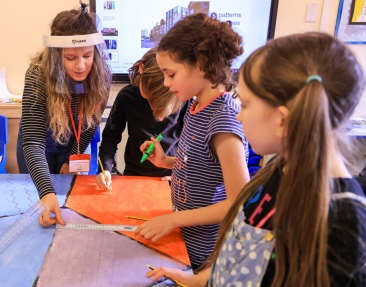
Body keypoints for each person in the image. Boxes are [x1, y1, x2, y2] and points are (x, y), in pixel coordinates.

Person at [146, 32, 366, 287]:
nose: (238, 117)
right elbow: (240, 255)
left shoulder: (344, 221)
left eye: (246, 105)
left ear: (282, 120)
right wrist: (194, 279)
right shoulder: (275, 173)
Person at [134, 13, 250, 270]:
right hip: (187, 241)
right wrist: (166, 161)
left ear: (200, 64)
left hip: (207, 253)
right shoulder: (196, 106)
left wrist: (175, 220)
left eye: (171, 74)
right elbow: (205, 165)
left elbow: (240, 201)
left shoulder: (223, 122)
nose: (166, 83)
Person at [16, 2, 111, 226]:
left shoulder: (101, 77)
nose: (81, 65)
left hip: (70, 142)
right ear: (56, 56)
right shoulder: (37, 76)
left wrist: (72, 157)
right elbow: (32, 143)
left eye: (87, 55)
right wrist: (46, 192)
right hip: (37, 146)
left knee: (68, 204)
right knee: (41, 205)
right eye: (70, 58)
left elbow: (88, 127)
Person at [96, 47, 185, 191]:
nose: (151, 101)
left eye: (156, 97)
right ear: (141, 68)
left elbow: (193, 150)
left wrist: (181, 174)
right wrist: (105, 169)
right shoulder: (126, 96)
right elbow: (110, 139)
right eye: (148, 92)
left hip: (171, 175)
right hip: (133, 174)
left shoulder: (181, 98)